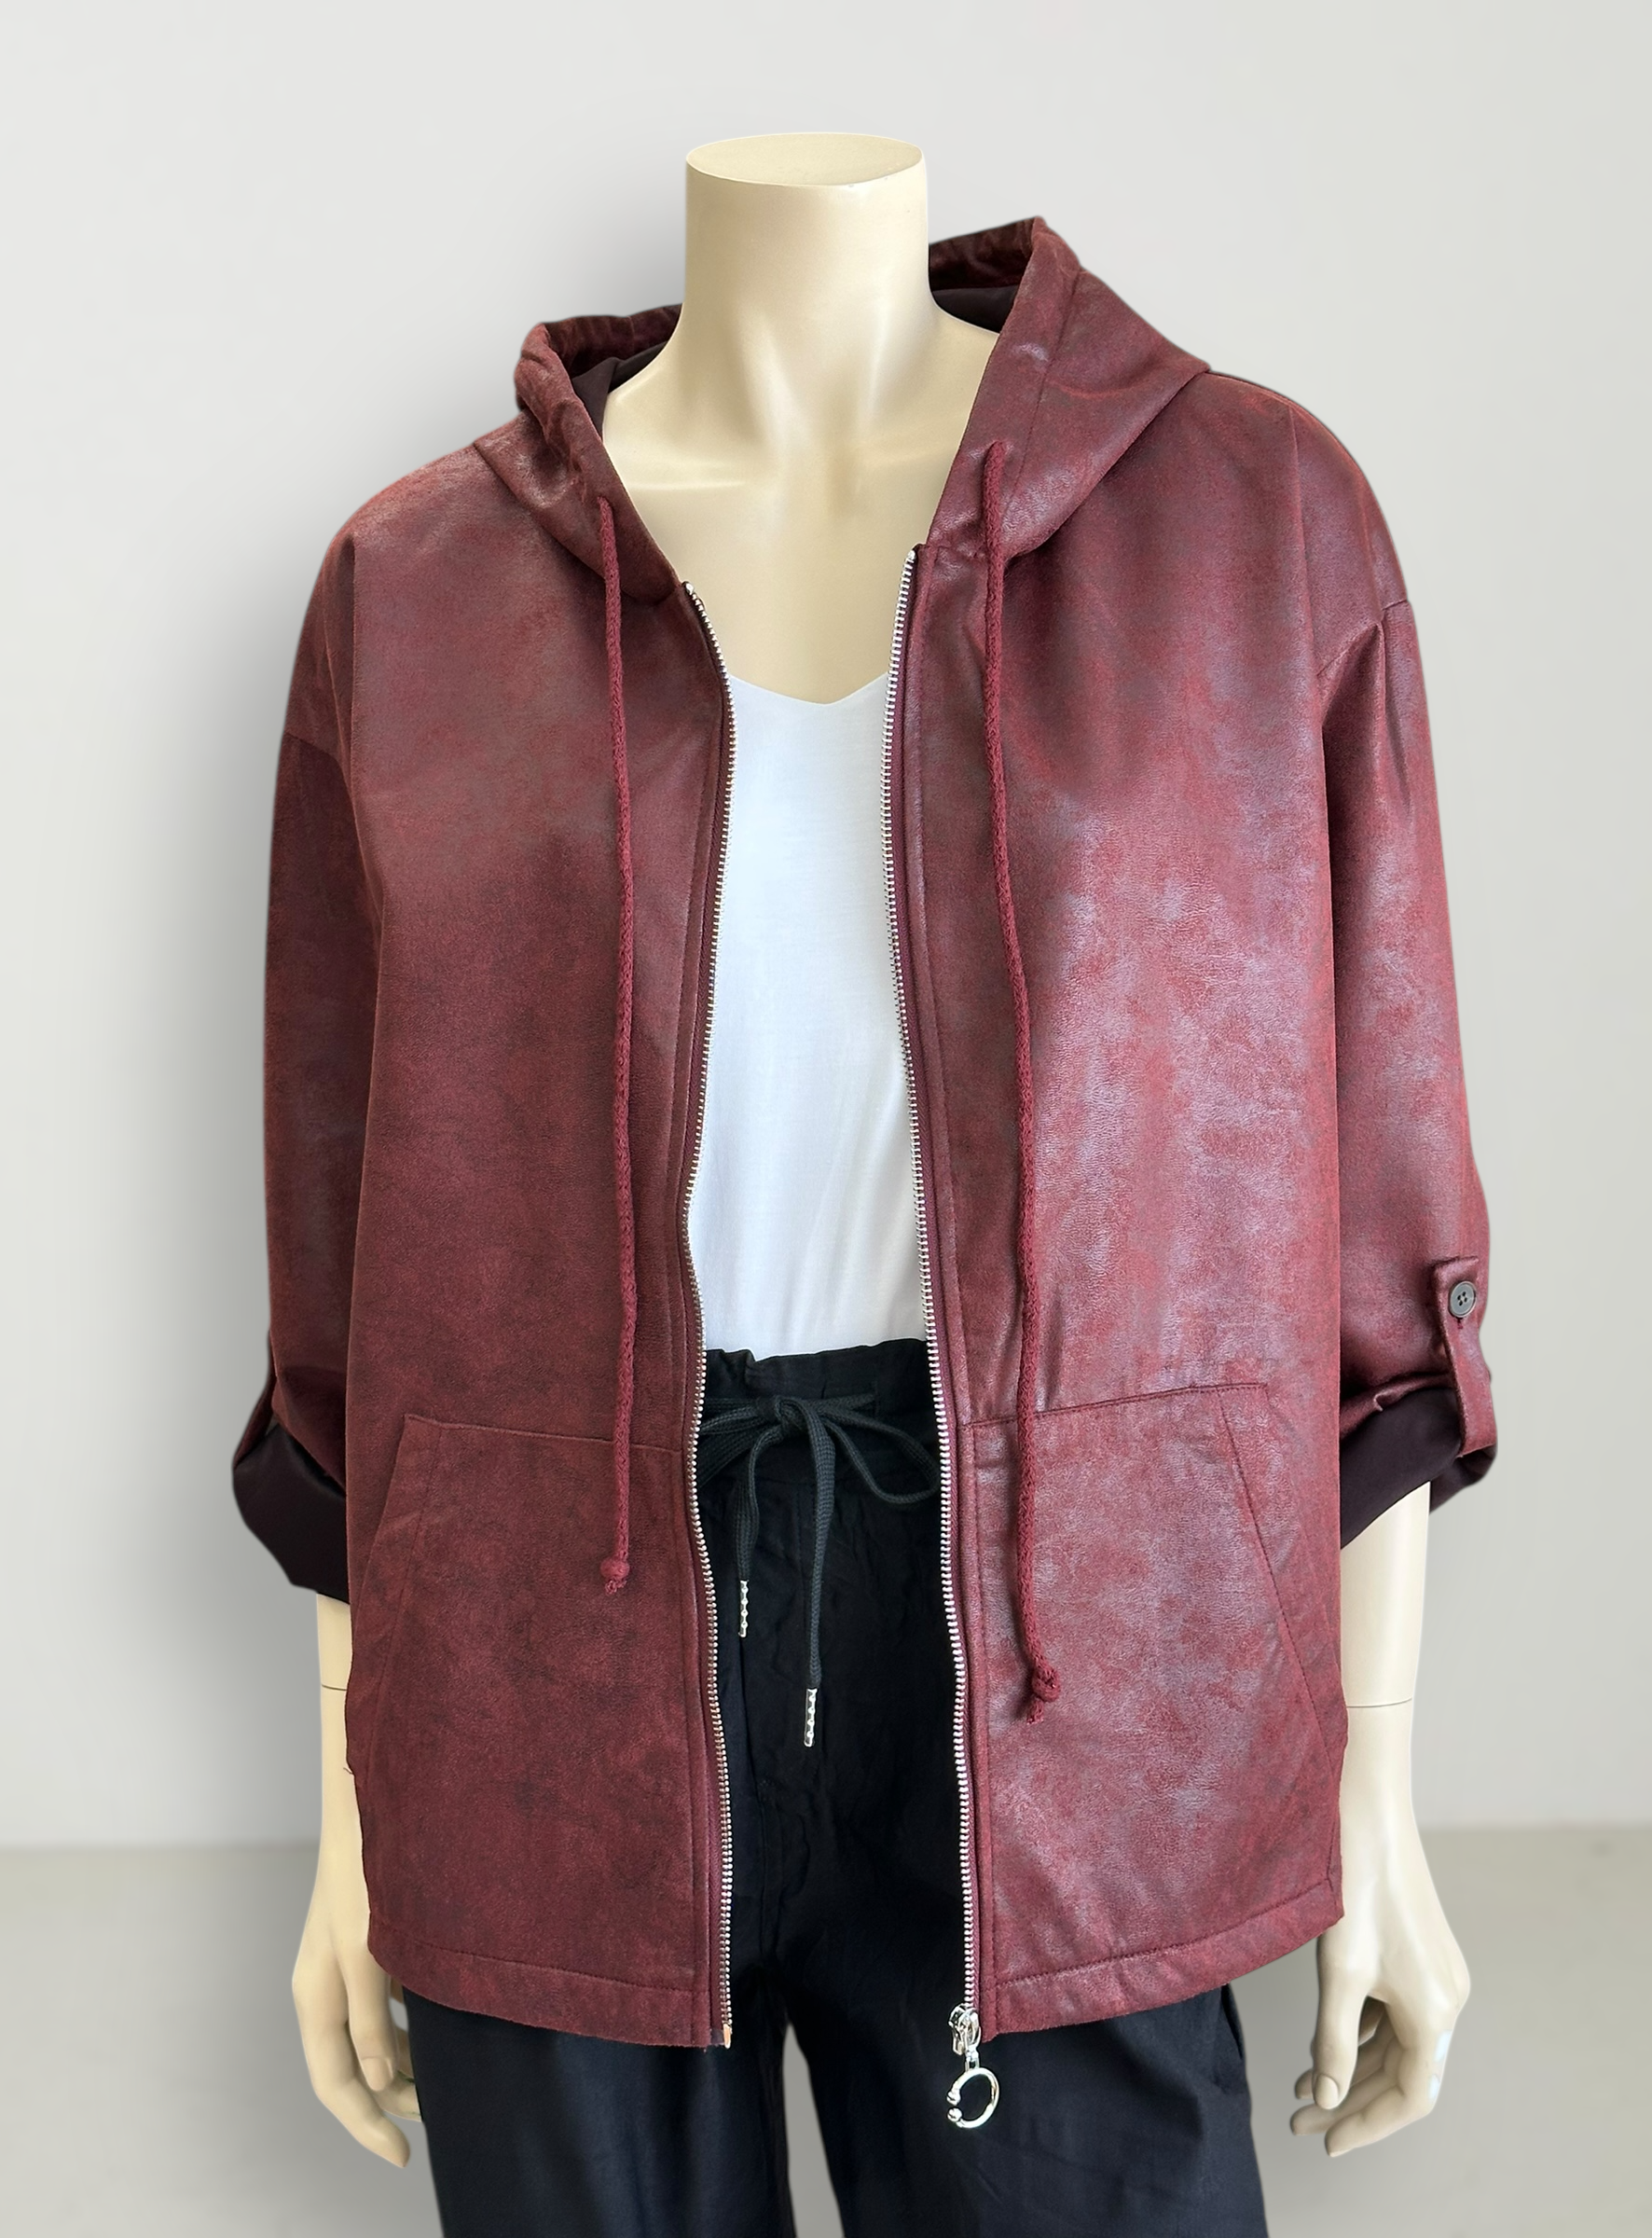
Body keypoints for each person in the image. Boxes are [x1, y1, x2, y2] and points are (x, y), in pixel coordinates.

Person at [236, 133, 1492, 2236]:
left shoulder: (1254, 522)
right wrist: (358, 1802)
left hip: (1076, 1637)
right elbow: (348, 1273)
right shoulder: (416, 586)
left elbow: (1381, 1205)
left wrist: (1374, 1773)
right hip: (550, 1652)